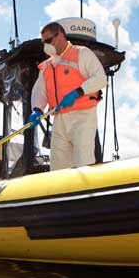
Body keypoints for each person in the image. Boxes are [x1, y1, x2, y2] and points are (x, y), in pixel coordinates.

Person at [29, 21, 107, 170]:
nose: (46, 45)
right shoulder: (46, 66)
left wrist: (78, 92)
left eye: (48, 40)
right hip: (59, 119)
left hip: (82, 117)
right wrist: (37, 109)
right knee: (58, 167)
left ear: (60, 36)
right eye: (43, 42)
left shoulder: (81, 53)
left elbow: (100, 78)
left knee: (83, 162)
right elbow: (40, 91)